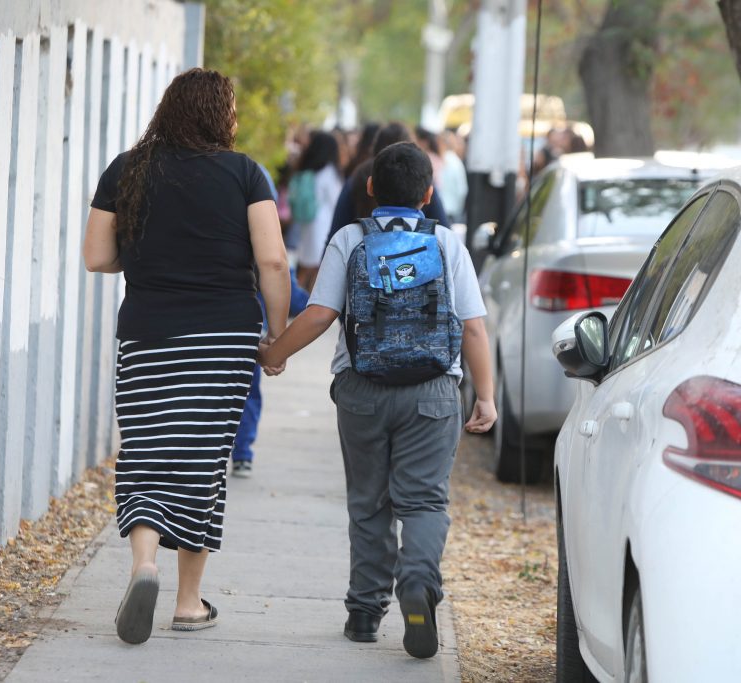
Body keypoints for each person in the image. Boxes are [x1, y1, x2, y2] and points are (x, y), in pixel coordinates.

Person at [259, 142, 497, 659]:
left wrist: (274, 353)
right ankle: (417, 583)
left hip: (362, 391)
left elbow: (321, 315)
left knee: (369, 504)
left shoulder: (350, 238)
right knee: (425, 500)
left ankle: (365, 614)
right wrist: (487, 398)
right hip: (433, 393)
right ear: (429, 195)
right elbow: (474, 329)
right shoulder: (448, 243)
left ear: (369, 188)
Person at [82, 68, 290, 645]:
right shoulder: (245, 173)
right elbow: (272, 262)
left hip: (147, 331)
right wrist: (275, 337)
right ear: (221, 115)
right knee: (200, 462)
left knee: (146, 451)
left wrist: (152, 250)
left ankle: (143, 566)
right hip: (222, 338)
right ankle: (187, 601)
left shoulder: (127, 169)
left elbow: (98, 258)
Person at [229, 163, 311, 477]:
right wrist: (279, 343)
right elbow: (285, 282)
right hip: (251, 332)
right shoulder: (266, 242)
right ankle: (243, 452)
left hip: (212, 322)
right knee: (247, 394)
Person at [326, 123, 449, 245]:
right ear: (428, 194)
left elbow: (335, 233)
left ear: (370, 186)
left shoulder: (357, 178)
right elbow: (444, 227)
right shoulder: (422, 179)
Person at [291, 131, 342, 291]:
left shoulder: (309, 170)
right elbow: (336, 201)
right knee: (318, 270)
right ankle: (306, 303)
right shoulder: (329, 172)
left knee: (306, 268)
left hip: (308, 224)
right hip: (323, 226)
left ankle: (296, 299)